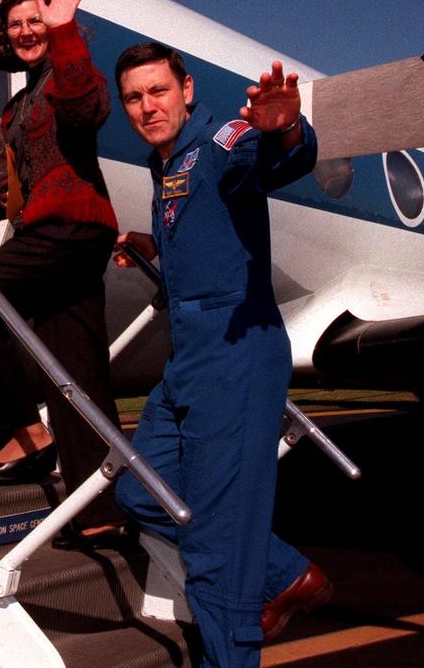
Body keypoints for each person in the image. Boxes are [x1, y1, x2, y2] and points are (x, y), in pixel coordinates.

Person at [111, 42, 331, 667]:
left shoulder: (220, 140)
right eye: (134, 97)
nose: (147, 106)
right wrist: (154, 244)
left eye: (159, 91)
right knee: (140, 492)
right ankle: (284, 572)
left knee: (215, 553)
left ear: (186, 90)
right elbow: (206, 218)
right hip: (188, 362)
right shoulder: (167, 163)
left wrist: (287, 129)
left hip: (236, 357)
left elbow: (266, 162)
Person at [0, 0, 126, 543]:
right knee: (76, 372)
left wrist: (65, 29)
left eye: (35, 20)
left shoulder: (68, 74)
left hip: (70, 229)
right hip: (49, 231)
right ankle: (100, 511)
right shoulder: (17, 107)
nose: (26, 30)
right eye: (16, 24)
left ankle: (18, 437)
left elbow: (84, 110)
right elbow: (22, 187)